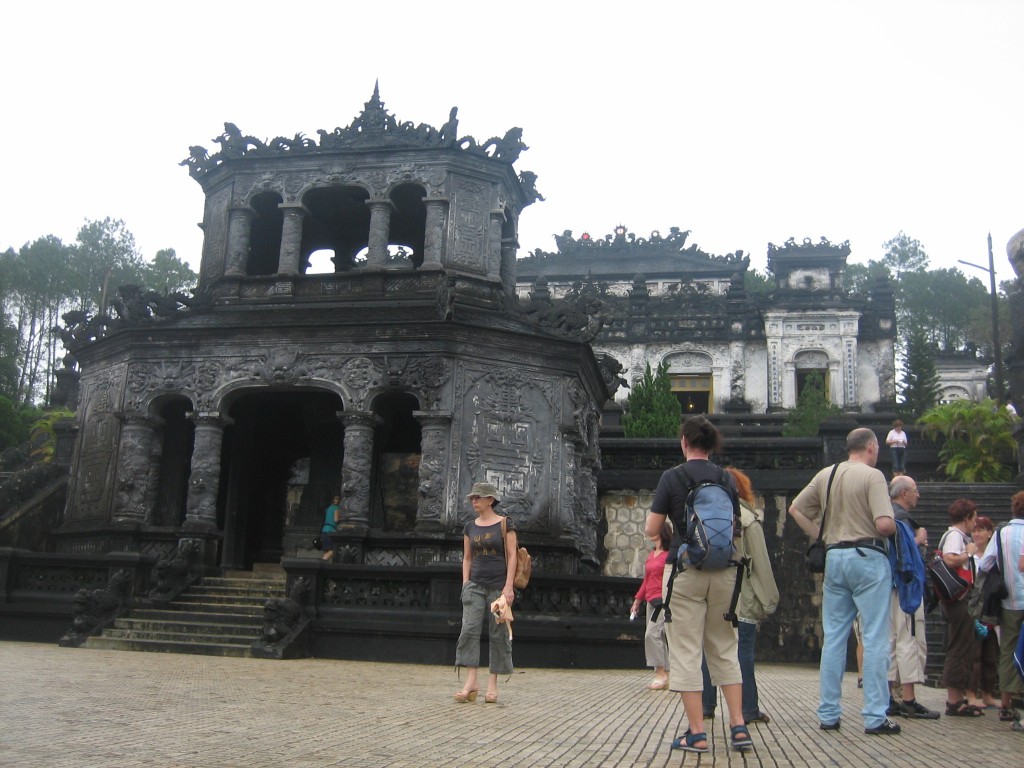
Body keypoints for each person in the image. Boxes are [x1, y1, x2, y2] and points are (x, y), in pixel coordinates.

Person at [644, 415, 753, 753]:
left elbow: (652, 529)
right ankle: (738, 727)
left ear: (684, 443)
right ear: (710, 445)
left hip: (686, 572)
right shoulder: (725, 478)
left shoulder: (672, 477)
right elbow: (735, 524)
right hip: (724, 572)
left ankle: (697, 733)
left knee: (687, 652)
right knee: (724, 647)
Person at [788, 427, 900, 735]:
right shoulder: (872, 476)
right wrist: (896, 525)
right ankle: (875, 715)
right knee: (875, 636)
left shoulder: (828, 474)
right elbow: (883, 524)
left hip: (835, 559)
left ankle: (828, 713)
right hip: (868, 557)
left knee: (834, 638)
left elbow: (795, 508)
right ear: (872, 447)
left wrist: (821, 536)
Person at [701, 467, 780, 724]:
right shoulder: (748, 520)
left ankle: (706, 704)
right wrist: (770, 601)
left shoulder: (703, 517)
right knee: (743, 652)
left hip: (711, 596)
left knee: (709, 649)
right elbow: (761, 566)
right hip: (741, 599)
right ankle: (748, 709)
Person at [453, 482, 516, 704]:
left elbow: (512, 555)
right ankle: (471, 681)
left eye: (478, 497)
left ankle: (492, 684)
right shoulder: (470, 527)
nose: (474, 500)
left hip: (499, 587)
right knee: (469, 629)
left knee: (497, 635)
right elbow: (467, 557)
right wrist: (465, 584)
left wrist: (508, 586)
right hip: (475, 586)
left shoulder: (505, 524)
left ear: (490, 500)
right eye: (472, 497)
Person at [885, 476, 939, 719]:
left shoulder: (886, 515)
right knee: (909, 638)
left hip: (888, 587)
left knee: (891, 641)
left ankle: (888, 697)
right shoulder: (902, 520)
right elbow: (904, 557)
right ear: (904, 493)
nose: (918, 495)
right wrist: (918, 541)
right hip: (905, 587)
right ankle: (909, 698)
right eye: (915, 490)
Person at [979, 490, 1024, 731]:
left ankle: (1006, 702)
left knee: (1007, 651)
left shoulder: (1001, 533)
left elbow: (985, 564)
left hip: (1009, 602)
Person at [938, 498, 982, 717]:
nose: (976, 522)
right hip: (959, 599)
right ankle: (953, 700)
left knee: (964, 645)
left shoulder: (957, 535)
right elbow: (949, 559)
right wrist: (970, 553)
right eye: (974, 517)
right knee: (959, 646)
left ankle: (959, 697)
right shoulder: (955, 536)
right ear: (966, 518)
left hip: (960, 599)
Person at [631, 521, 672, 690]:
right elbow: (647, 580)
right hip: (650, 600)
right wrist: (637, 601)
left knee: (652, 635)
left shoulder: (668, 555)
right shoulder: (652, 554)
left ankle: (661, 673)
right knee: (657, 636)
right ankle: (666, 674)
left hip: (661, 601)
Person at [967, 515, 1000, 710]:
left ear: (990, 533)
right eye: (975, 530)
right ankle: (971, 693)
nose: (977, 533)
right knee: (975, 655)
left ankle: (988, 693)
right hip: (974, 608)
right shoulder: (968, 554)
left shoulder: (994, 556)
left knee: (991, 655)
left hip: (991, 609)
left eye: (981, 530)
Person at [320, 494, 341, 561]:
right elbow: (336, 520)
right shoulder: (336, 508)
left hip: (324, 531)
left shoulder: (328, 508)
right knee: (333, 550)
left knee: (326, 551)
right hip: (331, 531)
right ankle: (322, 562)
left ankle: (324, 566)